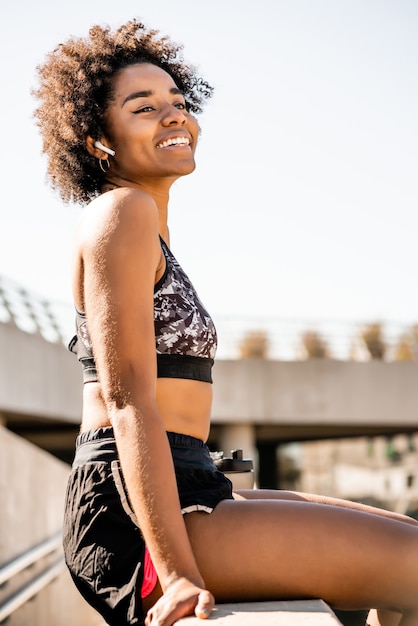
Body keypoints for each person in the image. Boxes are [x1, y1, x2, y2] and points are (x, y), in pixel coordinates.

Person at [34, 19, 418, 626]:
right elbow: (129, 399)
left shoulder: (149, 225)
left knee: (402, 562)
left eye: (178, 102)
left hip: (190, 478)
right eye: (143, 107)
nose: (173, 116)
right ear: (96, 141)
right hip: (137, 508)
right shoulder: (121, 211)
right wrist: (178, 573)